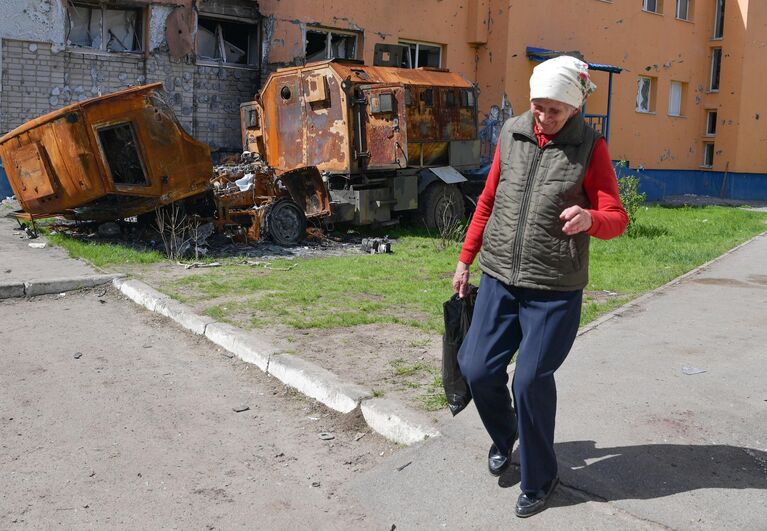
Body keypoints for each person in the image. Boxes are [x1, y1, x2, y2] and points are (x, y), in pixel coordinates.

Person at [452, 55, 628, 518]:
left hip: (553, 288)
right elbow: (488, 199)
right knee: (475, 367)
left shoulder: (591, 147)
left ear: (573, 108)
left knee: (529, 379)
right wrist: (465, 259)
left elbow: (617, 217)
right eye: (538, 106)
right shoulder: (512, 132)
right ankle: (506, 434)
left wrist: (591, 218)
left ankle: (540, 475)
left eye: (554, 110)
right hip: (499, 280)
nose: (543, 118)